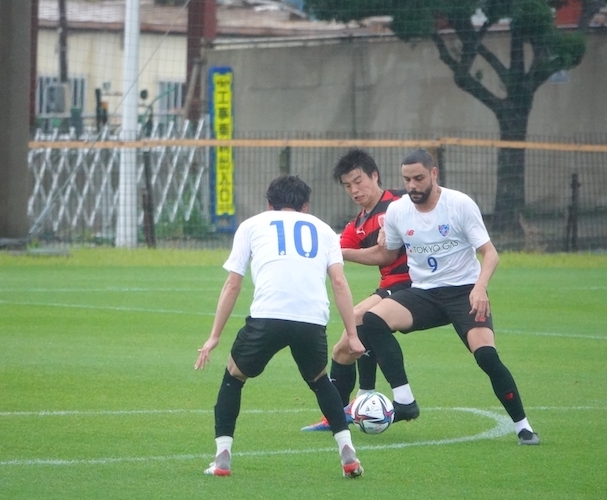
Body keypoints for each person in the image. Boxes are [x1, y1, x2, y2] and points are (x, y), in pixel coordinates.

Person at [356, 148, 540, 445]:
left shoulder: (459, 204)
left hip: (464, 292)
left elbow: (490, 253)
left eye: (418, 178)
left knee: (487, 357)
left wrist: (479, 288)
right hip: (423, 294)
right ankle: (404, 401)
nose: (412, 186)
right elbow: (387, 254)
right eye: (406, 180)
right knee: (371, 320)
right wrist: (349, 251)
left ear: (434, 174)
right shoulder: (398, 211)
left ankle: (523, 427)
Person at [195, 175, 367, 478]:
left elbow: (233, 284)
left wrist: (214, 336)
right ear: (305, 206)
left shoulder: (251, 225)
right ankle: (347, 451)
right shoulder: (325, 230)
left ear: (269, 204)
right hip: (312, 320)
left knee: (234, 377)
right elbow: (339, 282)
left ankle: (222, 459)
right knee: (320, 381)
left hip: (268, 316)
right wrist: (352, 335)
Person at [302, 148, 412, 431]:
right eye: (347, 185)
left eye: (358, 181)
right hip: (389, 287)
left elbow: (385, 254)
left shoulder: (400, 203)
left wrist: (342, 253)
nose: (354, 190)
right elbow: (335, 249)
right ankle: (337, 417)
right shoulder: (359, 224)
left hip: (412, 285)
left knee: (359, 317)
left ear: (375, 176)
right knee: (341, 351)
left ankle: (374, 398)